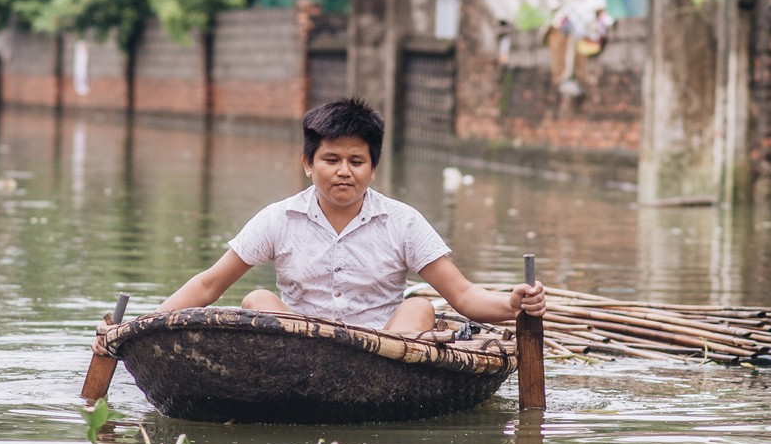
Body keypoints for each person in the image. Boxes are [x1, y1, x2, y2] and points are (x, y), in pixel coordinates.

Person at [153, 97, 546, 333]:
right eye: (331, 159)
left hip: (384, 353)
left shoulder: (402, 222)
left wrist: (512, 304)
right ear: (308, 163)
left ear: (372, 168)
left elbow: (462, 294)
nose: (344, 170)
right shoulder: (278, 218)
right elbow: (208, 286)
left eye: (357, 160)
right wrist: (140, 326)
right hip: (300, 348)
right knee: (257, 297)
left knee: (419, 307)